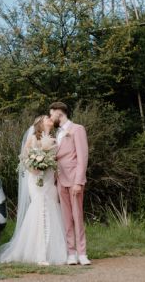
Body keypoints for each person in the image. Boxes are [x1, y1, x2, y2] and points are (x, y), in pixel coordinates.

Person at [0, 115, 68, 265]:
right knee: (40, 208)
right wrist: (34, 168)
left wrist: (50, 170)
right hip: (35, 179)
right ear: (40, 123)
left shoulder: (54, 139)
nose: (50, 119)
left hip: (48, 179)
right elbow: (24, 158)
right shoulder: (33, 138)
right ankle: (39, 254)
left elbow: (55, 161)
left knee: (52, 209)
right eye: (47, 118)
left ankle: (52, 250)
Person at [48, 101, 90, 265]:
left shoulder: (77, 130)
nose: (51, 118)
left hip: (74, 179)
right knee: (66, 218)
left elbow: (82, 157)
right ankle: (71, 253)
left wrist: (78, 182)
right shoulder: (57, 133)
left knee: (77, 216)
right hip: (60, 180)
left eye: (52, 114)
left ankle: (82, 253)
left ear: (59, 113)